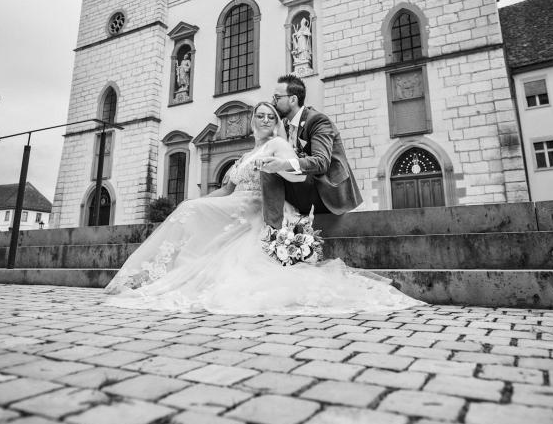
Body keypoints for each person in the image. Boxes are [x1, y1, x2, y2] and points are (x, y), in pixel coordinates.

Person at [104, 100, 420, 314]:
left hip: (255, 208)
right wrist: (195, 201)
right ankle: (149, 277)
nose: (266, 119)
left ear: (277, 122)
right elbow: (226, 189)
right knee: (189, 209)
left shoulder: (278, 146)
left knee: (196, 219)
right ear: (253, 120)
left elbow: (294, 175)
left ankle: (155, 276)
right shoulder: (245, 156)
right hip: (233, 202)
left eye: (271, 115)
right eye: (261, 115)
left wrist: (284, 175)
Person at [259, 74, 361, 232]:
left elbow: (321, 162)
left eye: (277, 97)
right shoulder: (284, 126)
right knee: (266, 166)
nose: (273, 102)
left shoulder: (317, 120)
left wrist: (283, 165)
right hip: (304, 187)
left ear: (293, 100)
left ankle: (273, 233)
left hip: (327, 190)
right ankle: (276, 228)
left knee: (270, 172)